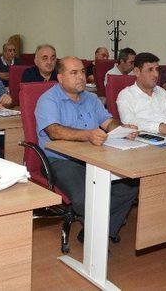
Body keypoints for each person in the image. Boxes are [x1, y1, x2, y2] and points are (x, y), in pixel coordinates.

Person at [35, 56, 139, 243]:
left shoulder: (91, 98)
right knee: (85, 196)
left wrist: (122, 129)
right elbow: (54, 131)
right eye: (74, 73)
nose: (81, 77)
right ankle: (98, 234)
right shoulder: (48, 99)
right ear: (60, 78)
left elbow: (108, 122)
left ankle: (99, 232)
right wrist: (88, 134)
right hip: (60, 160)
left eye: (82, 71)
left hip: (94, 157)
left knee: (130, 185)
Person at [117, 52, 166, 138]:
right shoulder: (126, 95)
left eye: (157, 69)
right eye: (150, 70)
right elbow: (129, 122)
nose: (156, 74)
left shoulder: (162, 92)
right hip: (144, 141)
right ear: (137, 72)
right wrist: (160, 128)